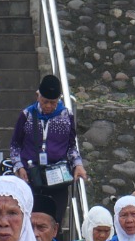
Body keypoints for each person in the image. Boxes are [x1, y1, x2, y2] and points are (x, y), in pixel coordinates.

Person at [9, 76, 87, 226]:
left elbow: (71, 146)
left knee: (54, 223)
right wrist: (19, 166)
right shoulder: (27, 115)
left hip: (57, 179)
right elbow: (15, 146)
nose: (49, 106)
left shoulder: (67, 116)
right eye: (45, 101)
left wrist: (78, 164)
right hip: (31, 177)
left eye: (53, 102)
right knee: (28, 222)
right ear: (38, 96)